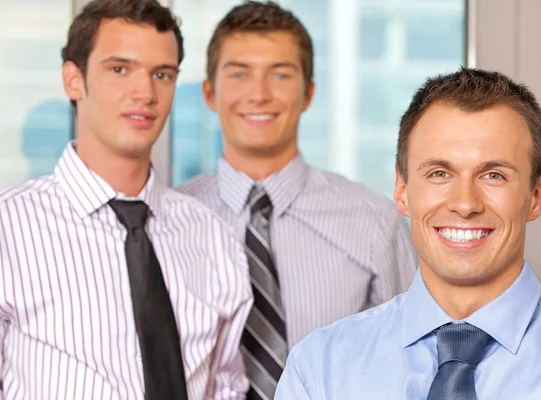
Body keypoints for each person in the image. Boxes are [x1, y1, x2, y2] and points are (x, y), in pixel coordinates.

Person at [0, 1, 252, 399]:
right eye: (119, 69)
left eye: (161, 74)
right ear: (74, 80)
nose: (144, 92)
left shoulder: (212, 236)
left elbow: (225, 387)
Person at [274, 67, 541, 399]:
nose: (465, 204)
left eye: (493, 175)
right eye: (439, 173)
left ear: (536, 195)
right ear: (403, 190)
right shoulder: (320, 370)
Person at [175, 1, 417, 398]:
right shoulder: (166, 219)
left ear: (308, 93)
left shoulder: (373, 222)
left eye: (280, 74)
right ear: (209, 93)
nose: (259, 94)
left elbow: (410, 359)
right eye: (239, 73)